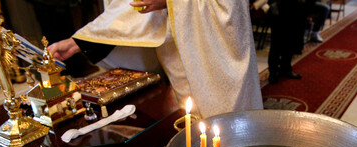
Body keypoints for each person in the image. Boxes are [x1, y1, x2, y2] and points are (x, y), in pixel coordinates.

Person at [48, 0, 263, 118]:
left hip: (217, 50)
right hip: (180, 55)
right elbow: (130, 5)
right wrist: (78, 42)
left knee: (231, 128)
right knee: (193, 129)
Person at [266, 0, 313, 83]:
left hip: (296, 11)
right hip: (280, 11)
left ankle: (286, 68)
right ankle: (273, 72)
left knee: (291, 43)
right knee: (276, 44)